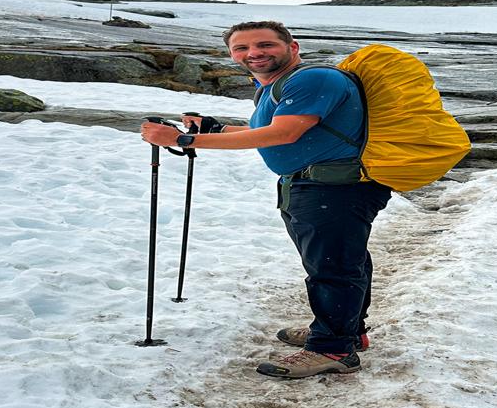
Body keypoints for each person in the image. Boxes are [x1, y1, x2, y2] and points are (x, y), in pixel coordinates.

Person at [141, 21, 391, 379]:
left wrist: (183, 142)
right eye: (241, 49)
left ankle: (334, 348)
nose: (252, 54)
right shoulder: (278, 85)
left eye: (264, 44)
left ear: (293, 46)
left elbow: (284, 133)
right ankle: (347, 332)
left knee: (332, 267)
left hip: (335, 187)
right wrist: (214, 129)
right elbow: (273, 129)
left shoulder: (313, 79)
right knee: (340, 260)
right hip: (316, 185)